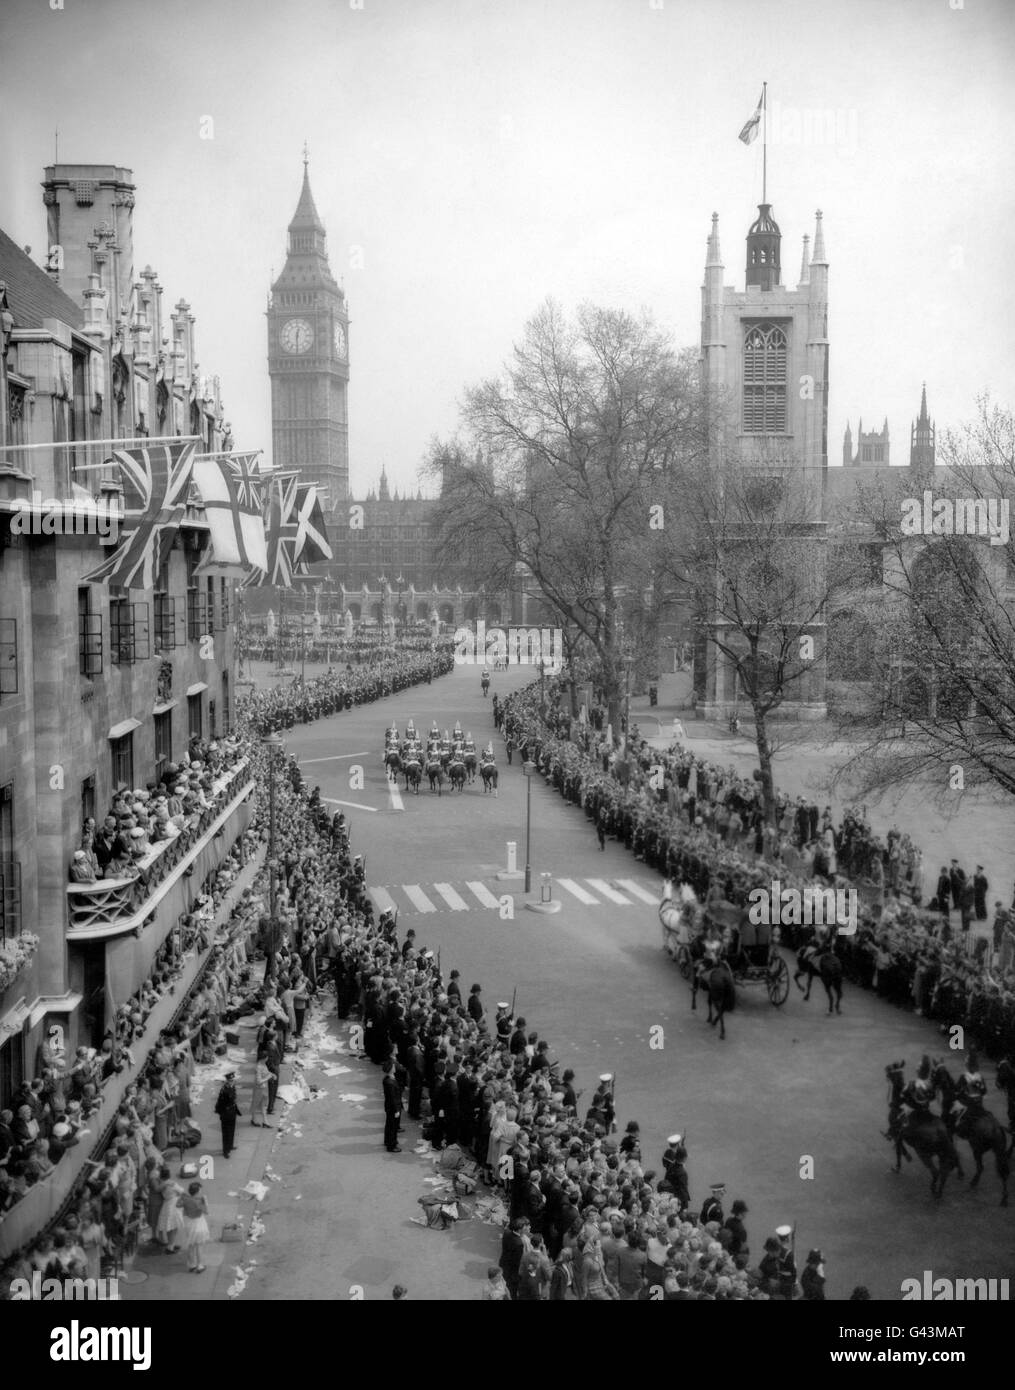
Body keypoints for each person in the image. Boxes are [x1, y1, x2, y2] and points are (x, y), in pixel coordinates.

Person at [176, 1180, 210, 1273]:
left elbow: (177, 1205)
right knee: (199, 1246)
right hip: (199, 1224)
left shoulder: (186, 1199)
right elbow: (207, 1212)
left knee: (191, 1245)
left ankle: (192, 1265)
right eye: (200, 1190)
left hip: (189, 1224)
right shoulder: (199, 1201)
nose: (201, 1191)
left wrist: (181, 1197)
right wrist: (205, 1201)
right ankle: (200, 1265)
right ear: (197, 1191)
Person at [214, 1071, 242, 1158]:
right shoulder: (224, 1090)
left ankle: (230, 1145)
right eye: (230, 1080)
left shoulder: (232, 1087)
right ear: (227, 1080)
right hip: (226, 1113)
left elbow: (233, 1100)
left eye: (233, 1080)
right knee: (226, 1132)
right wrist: (221, 1112)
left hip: (232, 1111)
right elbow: (220, 1103)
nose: (232, 1081)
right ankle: (225, 1150)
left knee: (232, 1130)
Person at [382, 1059, 402, 1153]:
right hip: (393, 1107)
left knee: (389, 1124)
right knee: (393, 1127)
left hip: (390, 1107)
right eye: (393, 1066)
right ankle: (392, 1145)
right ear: (390, 1069)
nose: (395, 1067)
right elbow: (392, 1098)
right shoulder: (390, 1082)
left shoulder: (388, 1079)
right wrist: (397, 1110)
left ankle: (388, 1141)